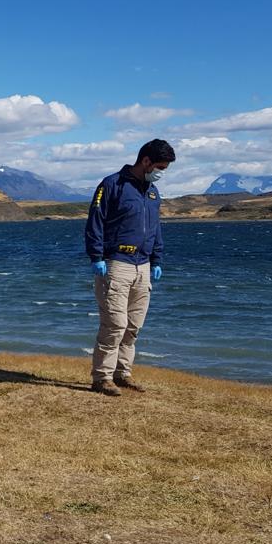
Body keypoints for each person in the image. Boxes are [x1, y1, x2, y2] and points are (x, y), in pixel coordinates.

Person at [85, 139, 176, 396]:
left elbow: (155, 228)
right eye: (160, 167)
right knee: (115, 324)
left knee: (133, 326)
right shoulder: (112, 185)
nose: (161, 173)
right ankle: (102, 377)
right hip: (116, 264)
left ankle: (122, 373)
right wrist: (97, 257)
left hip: (143, 266)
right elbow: (95, 221)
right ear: (146, 161)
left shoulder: (153, 192)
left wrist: (156, 260)